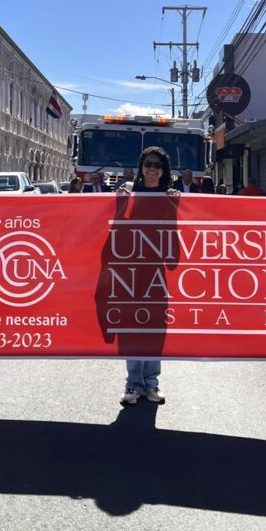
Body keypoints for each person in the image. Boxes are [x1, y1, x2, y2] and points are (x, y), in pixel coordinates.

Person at [116, 146, 180, 405]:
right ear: (141, 167)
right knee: (132, 327)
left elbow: (173, 233)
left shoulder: (170, 196)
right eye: (147, 164)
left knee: (154, 327)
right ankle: (133, 384)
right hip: (131, 271)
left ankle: (151, 384)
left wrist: (175, 206)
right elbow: (116, 227)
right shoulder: (129, 194)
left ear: (164, 170)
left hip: (157, 271)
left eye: (157, 165)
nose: (152, 169)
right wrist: (119, 205)